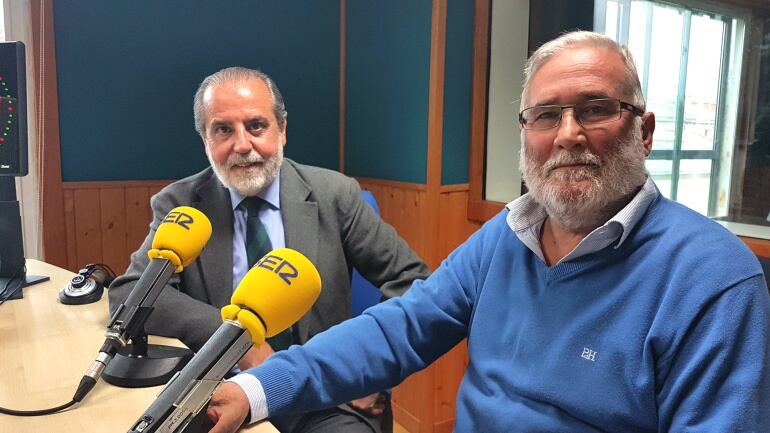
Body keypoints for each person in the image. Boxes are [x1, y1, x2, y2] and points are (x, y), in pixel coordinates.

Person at [206, 31, 770, 433]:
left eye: (596, 109)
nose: (568, 134)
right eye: (546, 115)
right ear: (524, 134)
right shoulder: (508, 235)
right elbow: (400, 328)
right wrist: (258, 389)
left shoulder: (714, 278)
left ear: (643, 132)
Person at [108, 67, 430, 433]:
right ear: (205, 141)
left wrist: (368, 367)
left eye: (256, 125)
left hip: (321, 393)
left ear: (282, 130)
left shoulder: (334, 194)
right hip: (216, 392)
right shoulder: (180, 203)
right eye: (223, 130)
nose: (242, 145)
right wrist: (238, 341)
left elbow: (413, 283)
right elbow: (130, 294)